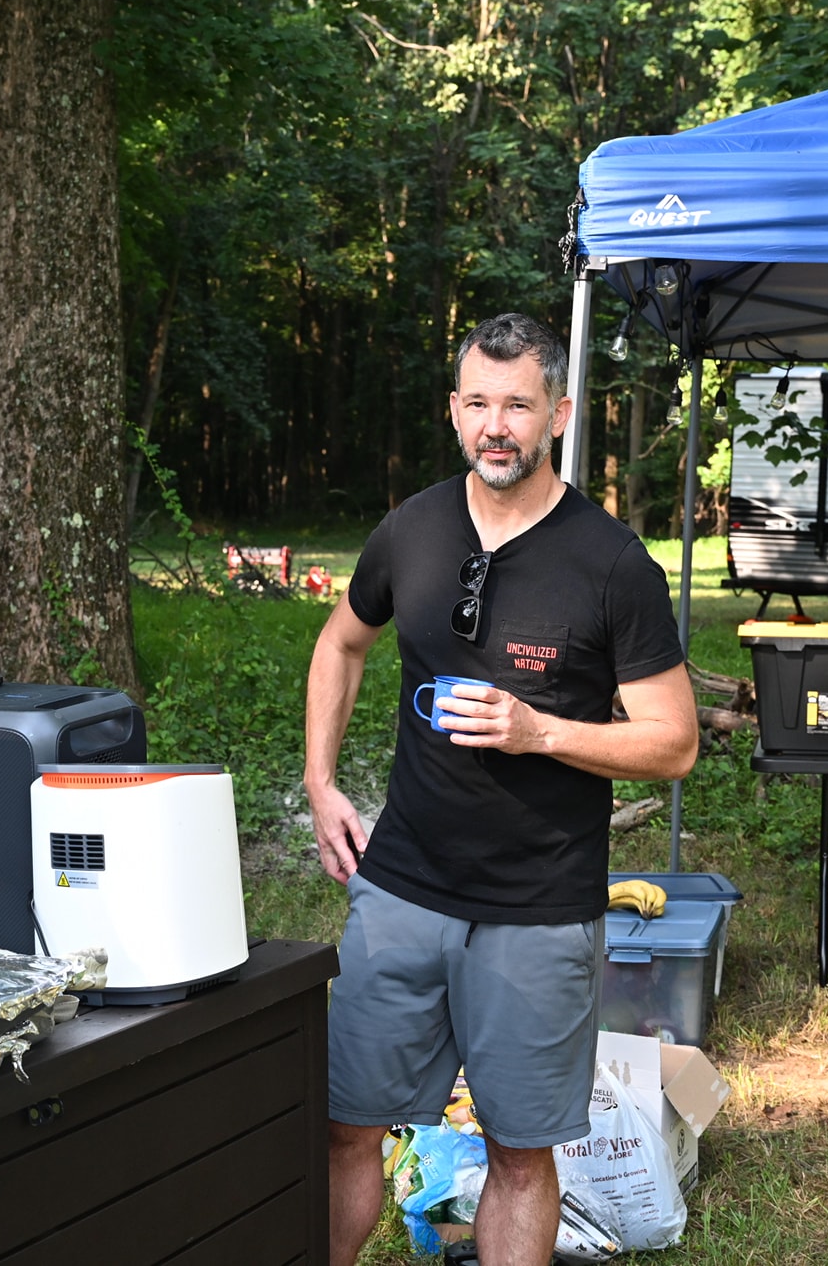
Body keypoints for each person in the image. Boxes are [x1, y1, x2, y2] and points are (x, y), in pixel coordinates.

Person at [304, 311, 699, 1266]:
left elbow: (675, 743)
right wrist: (320, 780)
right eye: (478, 402)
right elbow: (341, 642)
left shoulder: (611, 564)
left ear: (557, 413)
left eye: (517, 404)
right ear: (452, 411)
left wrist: (541, 731)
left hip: (539, 909)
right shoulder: (414, 529)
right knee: (346, 1127)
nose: (496, 425)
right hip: (400, 888)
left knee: (520, 1154)